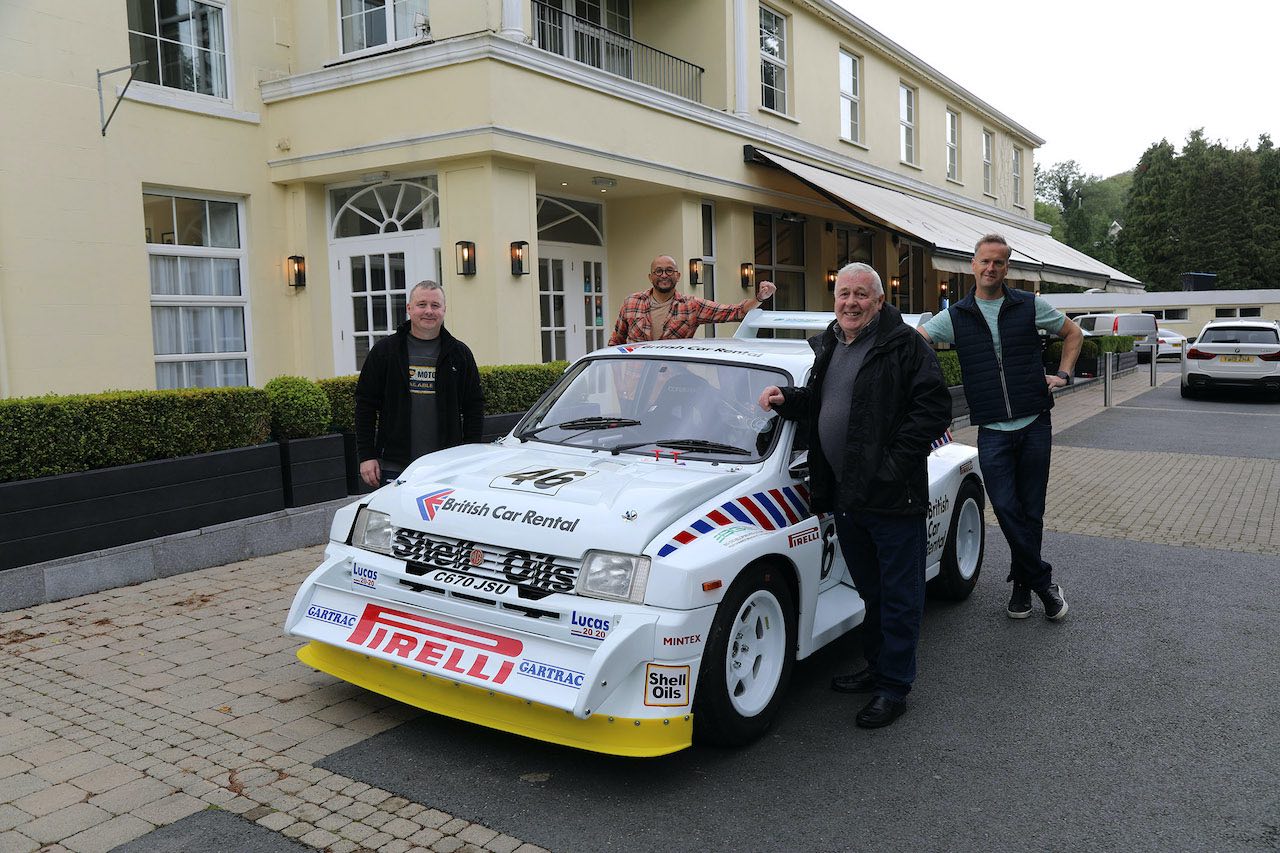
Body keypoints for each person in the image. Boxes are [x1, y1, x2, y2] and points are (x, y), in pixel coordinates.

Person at [759, 263, 951, 728]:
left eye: (861, 294)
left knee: (900, 594)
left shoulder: (904, 344)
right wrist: (788, 398)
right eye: (844, 293)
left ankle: (894, 687)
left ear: (879, 301)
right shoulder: (831, 342)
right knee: (871, 590)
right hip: (846, 495)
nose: (851, 302)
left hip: (891, 496)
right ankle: (876, 667)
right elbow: (823, 403)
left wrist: (890, 467)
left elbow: (934, 409)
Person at [918, 234, 1083, 621]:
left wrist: (1062, 373)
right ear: (972, 265)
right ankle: (1045, 582)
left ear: (1006, 267)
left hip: (1034, 423)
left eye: (999, 262)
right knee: (1007, 508)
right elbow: (917, 341)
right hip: (992, 430)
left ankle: (1023, 588)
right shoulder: (955, 316)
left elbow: (1073, 333)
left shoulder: (1028, 305)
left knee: (1031, 511)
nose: (991, 268)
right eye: (984, 261)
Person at [354, 280, 484, 488]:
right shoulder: (385, 351)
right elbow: (365, 406)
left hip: (446, 465)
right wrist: (366, 455)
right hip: (395, 465)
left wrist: (468, 456)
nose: (429, 311)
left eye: (435, 305)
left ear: (444, 310)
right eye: (422, 304)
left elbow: (474, 409)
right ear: (409, 308)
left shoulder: (460, 354)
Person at [608, 255, 778, 345]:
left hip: (672, 381)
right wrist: (617, 377)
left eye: (669, 270)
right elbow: (616, 340)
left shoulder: (691, 306)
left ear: (678, 275)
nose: (664, 275)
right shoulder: (631, 302)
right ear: (650, 276)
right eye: (658, 271)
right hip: (632, 383)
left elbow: (734, 312)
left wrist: (759, 298)